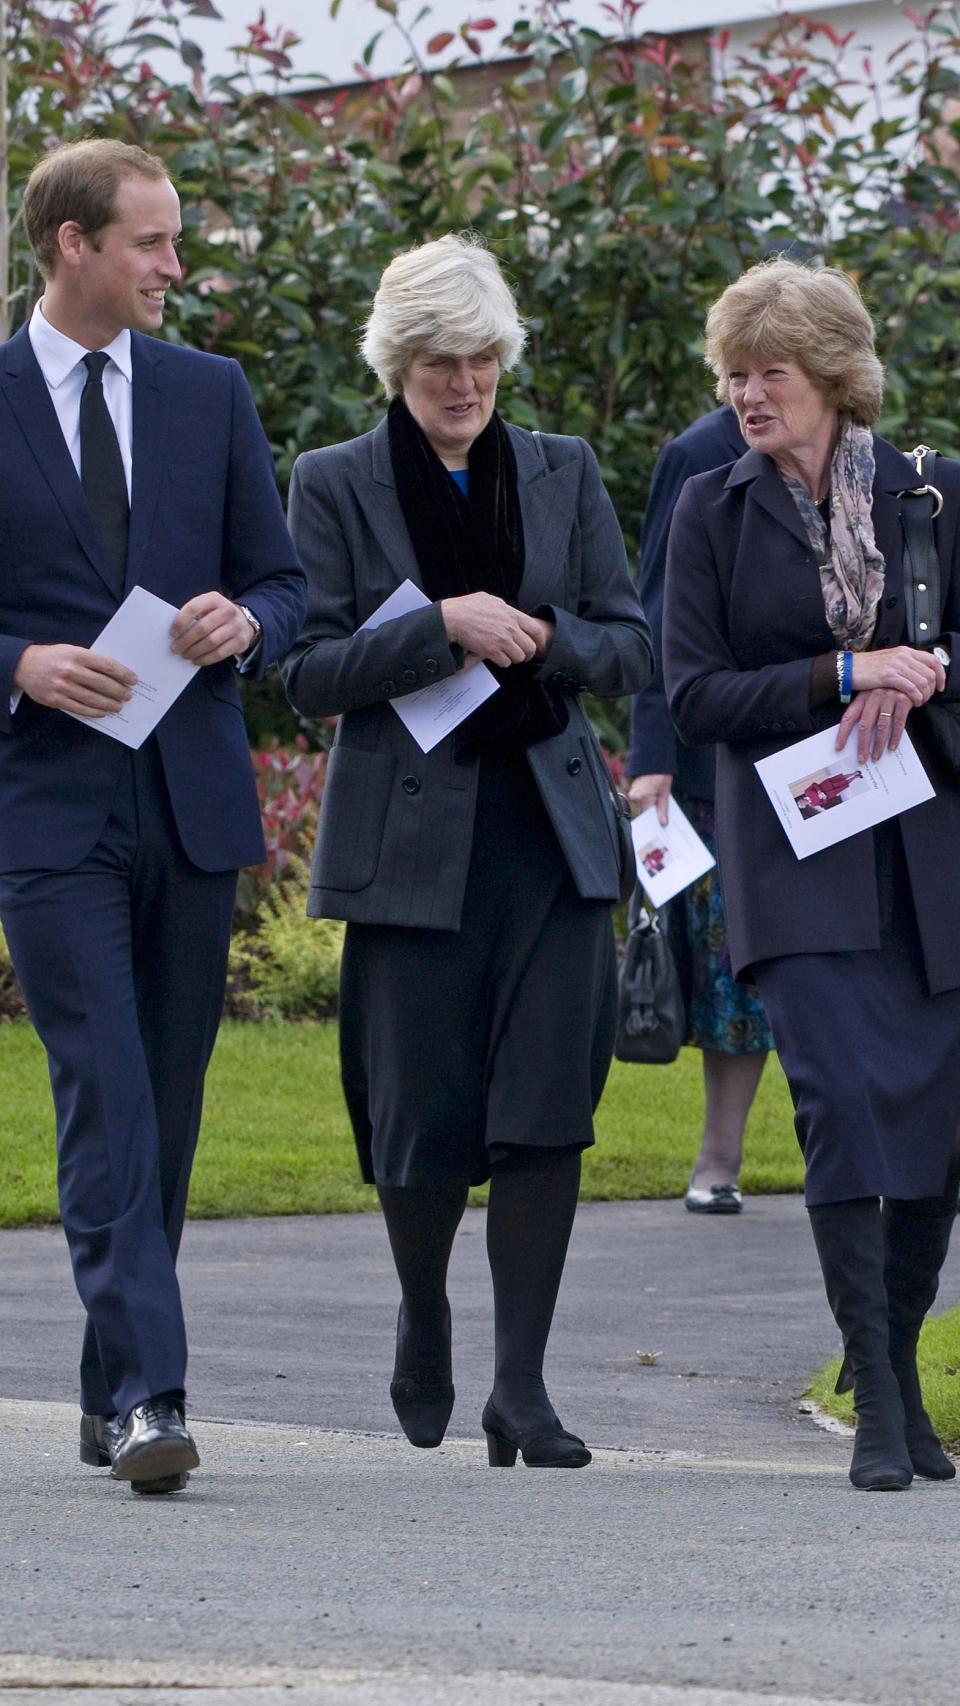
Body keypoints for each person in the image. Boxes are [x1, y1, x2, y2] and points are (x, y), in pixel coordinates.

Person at [282, 234, 652, 1469]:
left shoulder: (563, 469)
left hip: (550, 838)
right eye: (441, 360)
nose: (465, 383)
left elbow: (631, 641)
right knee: (420, 1120)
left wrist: (542, 638)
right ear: (398, 363)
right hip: (409, 842)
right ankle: (425, 1309)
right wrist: (438, 626)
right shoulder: (334, 479)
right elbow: (302, 672)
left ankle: (524, 1388)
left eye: (484, 357)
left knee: (549, 1112)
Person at [0, 140, 306, 1493]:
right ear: (72, 243)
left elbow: (283, 582)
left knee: (165, 1111)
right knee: (107, 1088)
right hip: (48, 810)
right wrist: (17, 660)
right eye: (152, 243)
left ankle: (102, 1379)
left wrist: (248, 619)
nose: (176, 267)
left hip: (189, 803)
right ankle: (151, 1396)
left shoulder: (208, 391)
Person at [663, 256, 960, 1491]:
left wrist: (928, 670)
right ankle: (881, 1391)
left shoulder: (933, 495)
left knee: (939, 1131)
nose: (746, 393)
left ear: (833, 374)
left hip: (933, 857)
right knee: (839, 1103)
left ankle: (890, 1364)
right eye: (733, 373)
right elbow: (692, 689)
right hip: (799, 851)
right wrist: (843, 674)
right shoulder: (711, 509)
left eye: (768, 371)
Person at [626, 405, 773, 1216]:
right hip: (715, 754)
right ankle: (720, 1158)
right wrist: (651, 758)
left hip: (834, 749)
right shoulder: (697, 454)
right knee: (730, 971)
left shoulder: (865, 456)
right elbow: (657, 609)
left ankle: (860, 1153)